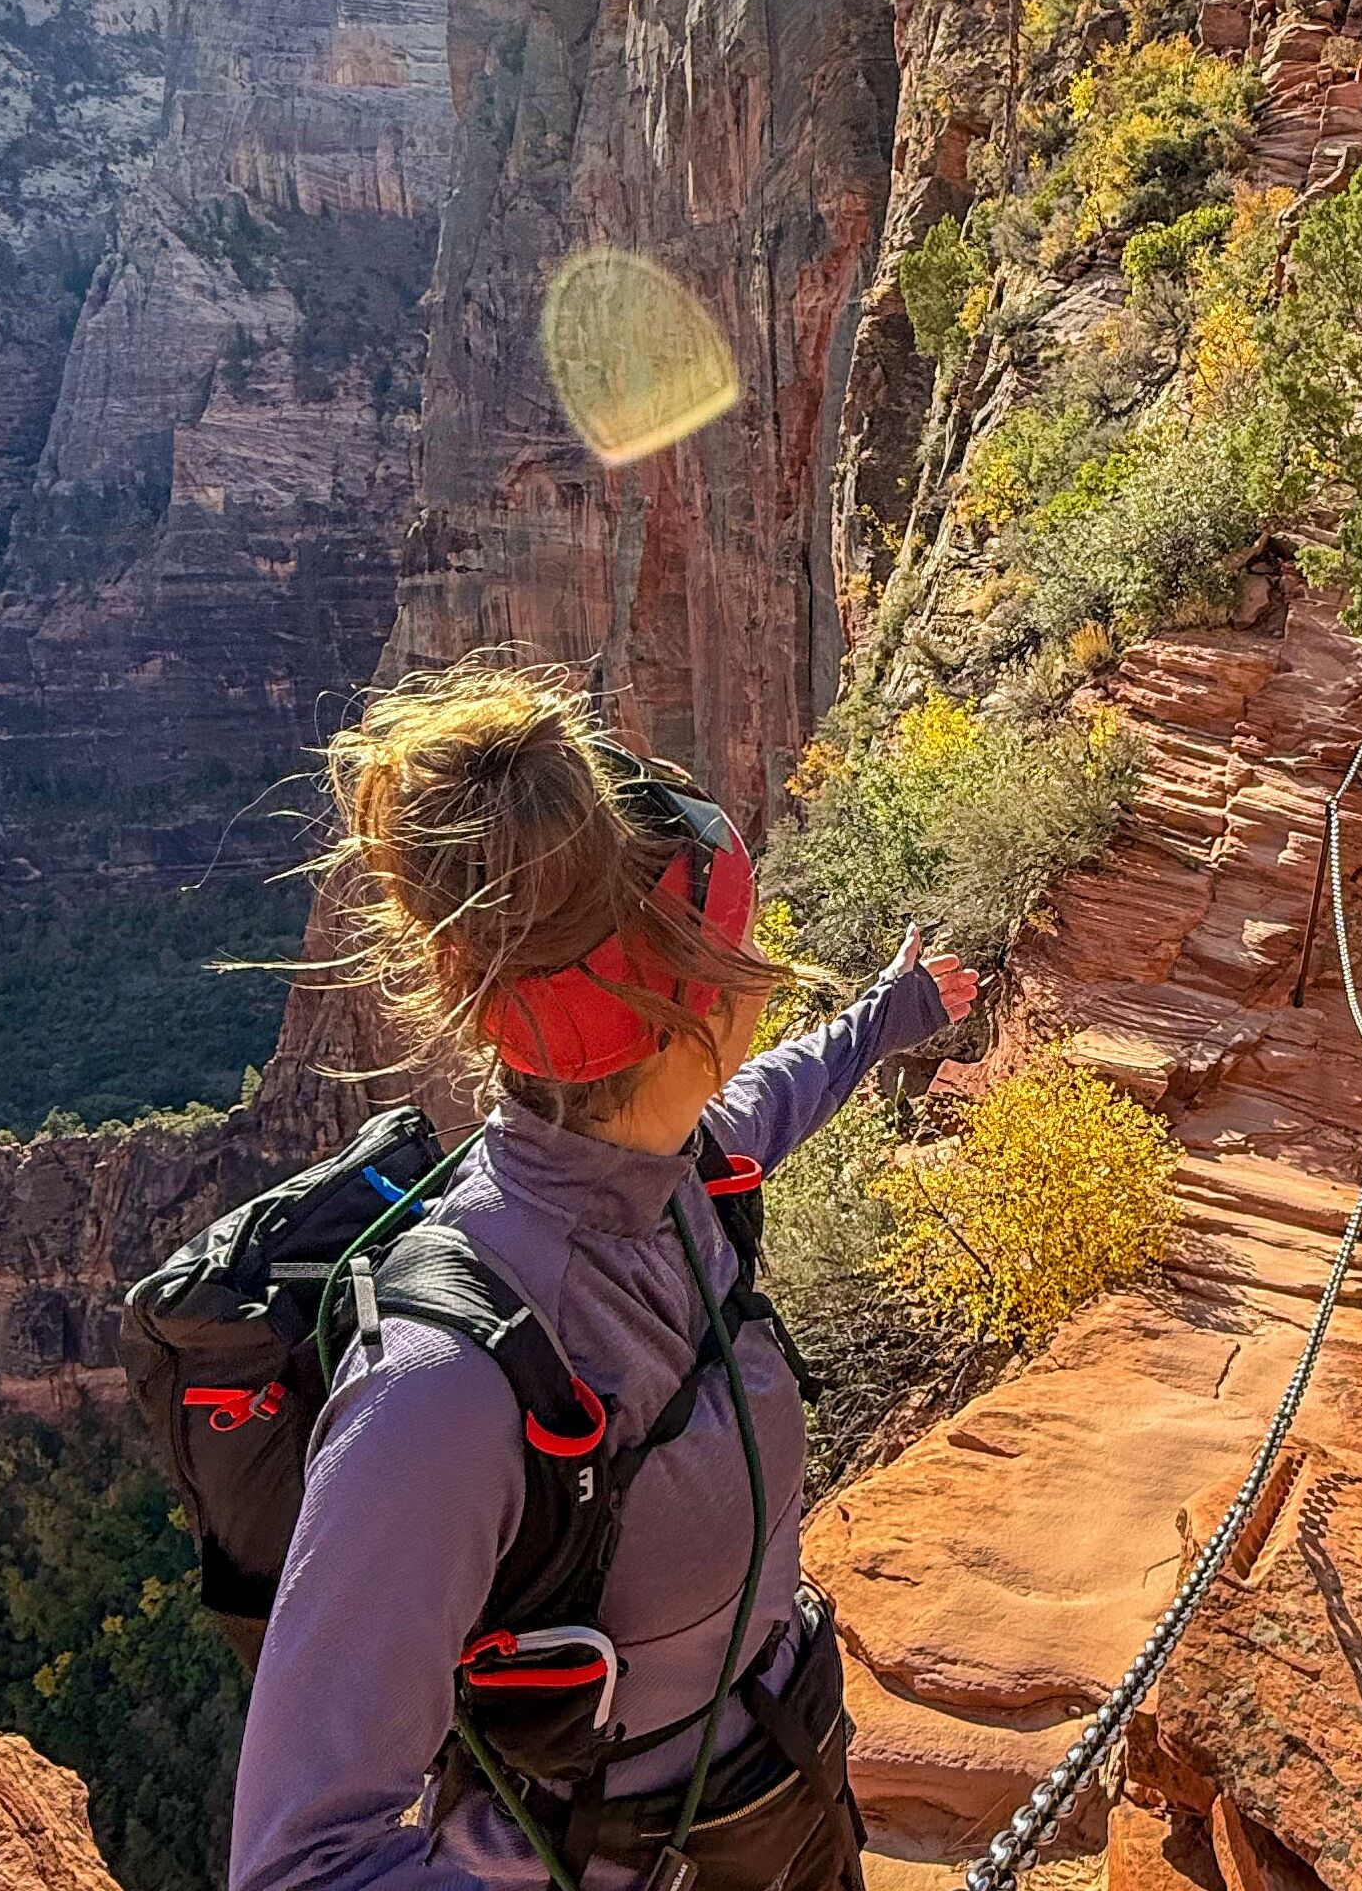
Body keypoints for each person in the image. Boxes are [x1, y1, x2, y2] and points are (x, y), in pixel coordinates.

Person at [229, 660, 976, 1891]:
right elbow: (298, 1866)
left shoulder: (688, 1168)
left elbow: (779, 1095)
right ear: (689, 1007)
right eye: (739, 951)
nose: (759, 984)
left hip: (791, 1801)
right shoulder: (440, 1387)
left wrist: (895, 1014)